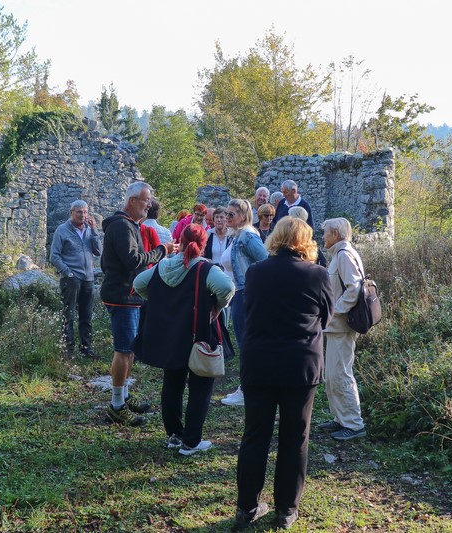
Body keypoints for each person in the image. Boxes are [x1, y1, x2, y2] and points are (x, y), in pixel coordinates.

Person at [233, 217, 333, 530]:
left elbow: (250, 311)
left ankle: (246, 507)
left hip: (259, 362)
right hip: (299, 364)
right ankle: (286, 509)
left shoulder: (255, 271)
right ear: (306, 241)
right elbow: (326, 317)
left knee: (255, 435)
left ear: (275, 238)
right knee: (295, 437)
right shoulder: (317, 274)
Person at [133, 224, 235, 455]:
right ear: (203, 244)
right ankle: (191, 441)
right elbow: (227, 288)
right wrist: (216, 306)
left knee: (172, 382)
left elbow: (138, 283)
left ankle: (174, 435)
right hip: (198, 332)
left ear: (180, 240)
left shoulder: (163, 266)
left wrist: (159, 301)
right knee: (200, 386)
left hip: (170, 334)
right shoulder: (204, 268)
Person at [101, 182, 177, 426]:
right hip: (122, 297)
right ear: (132, 200)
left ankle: (123, 395)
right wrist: (162, 250)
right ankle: (116, 406)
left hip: (130, 296)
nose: (149, 204)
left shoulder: (129, 225)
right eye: (146, 200)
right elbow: (133, 261)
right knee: (123, 350)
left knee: (130, 349)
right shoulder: (121, 226)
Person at [317, 217, 367, 441]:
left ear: (336, 234)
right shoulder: (340, 254)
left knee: (341, 375)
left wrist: (334, 310)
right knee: (332, 375)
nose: (323, 236)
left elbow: (353, 289)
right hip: (336, 327)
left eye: (326, 232)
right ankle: (341, 418)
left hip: (342, 326)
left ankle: (354, 424)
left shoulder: (344, 255)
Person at [220, 199, 268, 407]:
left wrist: (253, 286)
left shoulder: (247, 236)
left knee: (246, 344)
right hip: (239, 294)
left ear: (243, 216)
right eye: (226, 214)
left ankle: (248, 390)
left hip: (246, 295)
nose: (227, 217)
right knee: (245, 343)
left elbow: (265, 261)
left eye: (231, 214)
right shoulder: (236, 236)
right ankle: (249, 386)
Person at [49, 200, 102, 359]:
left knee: (86, 315)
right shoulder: (62, 230)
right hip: (71, 278)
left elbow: (98, 251)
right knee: (69, 314)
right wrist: (67, 272)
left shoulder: (89, 229)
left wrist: (94, 230)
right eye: (79, 212)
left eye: (85, 212)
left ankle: (86, 349)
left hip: (88, 278)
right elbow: (54, 256)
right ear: (71, 212)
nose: (83, 215)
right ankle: (68, 350)